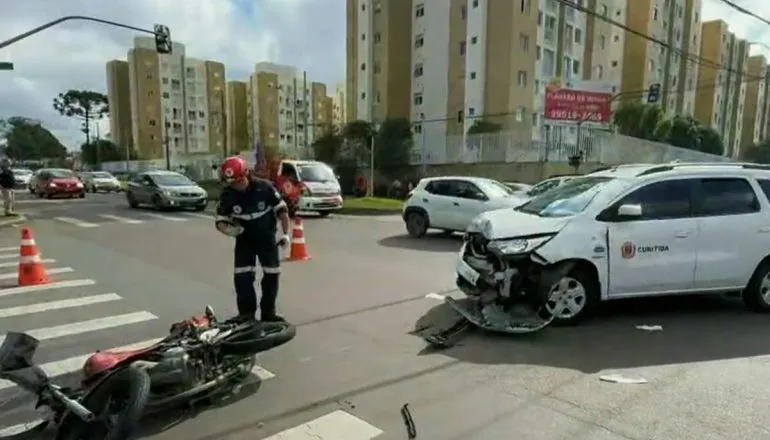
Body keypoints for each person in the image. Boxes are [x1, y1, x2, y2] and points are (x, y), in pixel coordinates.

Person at [214, 156, 291, 322]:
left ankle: (268, 313)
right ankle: (246, 314)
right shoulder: (228, 195)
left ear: (246, 174)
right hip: (244, 240)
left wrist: (285, 234)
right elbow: (220, 220)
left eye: (239, 181)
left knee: (272, 275)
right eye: (232, 183)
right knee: (242, 277)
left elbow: (282, 211)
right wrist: (228, 229)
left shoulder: (264, 187)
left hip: (266, 239)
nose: (236, 185)